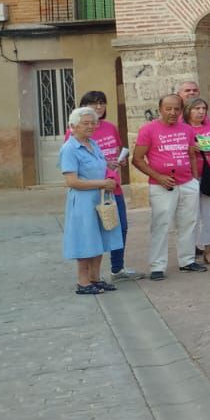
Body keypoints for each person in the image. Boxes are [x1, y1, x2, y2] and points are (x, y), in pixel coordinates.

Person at [133, 93, 202, 280]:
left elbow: (191, 155)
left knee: (189, 222)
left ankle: (187, 261)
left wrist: (194, 180)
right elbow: (137, 159)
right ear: (160, 109)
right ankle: (157, 266)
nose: (172, 112)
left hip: (187, 183)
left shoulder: (187, 130)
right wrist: (159, 177)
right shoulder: (148, 130)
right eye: (168, 109)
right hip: (161, 185)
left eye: (176, 109)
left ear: (181, 111)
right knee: (161, 225)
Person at [60, 105, 124, 295]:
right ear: (73, 126)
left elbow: (99, 164)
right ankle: (83, 281)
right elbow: (72, 181)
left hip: (99, 198)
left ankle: (95, 277)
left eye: (93, 123)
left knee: (100, 239)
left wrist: (109, 167)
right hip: (83, 201)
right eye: (85, 123)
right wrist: (102, 183)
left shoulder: (92, 143)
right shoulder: (70, 148)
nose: (90, 127)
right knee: (85, 239)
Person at [79, 90, 134, 280]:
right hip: (93, 188)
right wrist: (104, 165)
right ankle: (92, 276)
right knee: (96, 230)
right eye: (93, 103)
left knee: (121, 226)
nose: (99, 107)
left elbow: (115, 151)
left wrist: (121, 161)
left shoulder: (110, 127)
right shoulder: (77, 131)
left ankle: (117, 268)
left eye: (102, 103)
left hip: (114, 185)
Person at [187, 98, 210, 265]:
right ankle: (190, 251)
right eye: (196, 108)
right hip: (189, 175)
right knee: (190, 216)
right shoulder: (182, 128)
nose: (201, 111)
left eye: (203, 108)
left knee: (209, 215)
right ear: (188, 111)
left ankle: (208, 250)